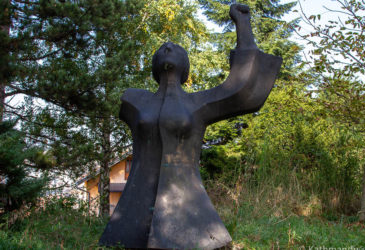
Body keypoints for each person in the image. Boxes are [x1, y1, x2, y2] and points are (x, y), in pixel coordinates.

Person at [99, 4, 282, 249]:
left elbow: (244, 87)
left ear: (186, 67)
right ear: (154, 66)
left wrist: (243, 24)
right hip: (134, 214)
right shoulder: (134, 99)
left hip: (187, 211)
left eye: (176, 48)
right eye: (163, 47)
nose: (168, 47)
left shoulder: (198, 103)